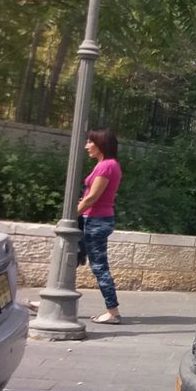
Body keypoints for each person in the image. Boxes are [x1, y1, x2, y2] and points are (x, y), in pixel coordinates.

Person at [78, 128, 123, 324]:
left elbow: (92, 198)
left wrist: (70, 216)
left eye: (90, 142)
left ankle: (113, 312)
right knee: (69, 258)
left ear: (101, 144)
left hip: (96, 221)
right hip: (92, 219)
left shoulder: (106, 166)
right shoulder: (106, 164)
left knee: (99, 267)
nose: (86, 146)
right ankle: (52, 301)